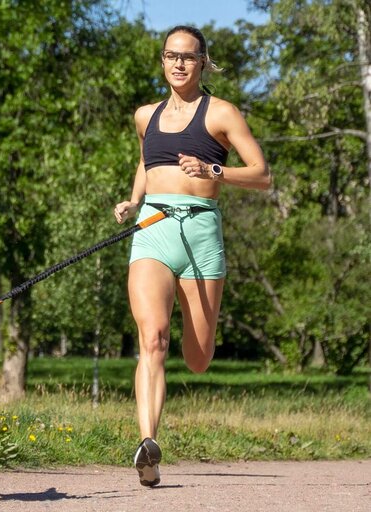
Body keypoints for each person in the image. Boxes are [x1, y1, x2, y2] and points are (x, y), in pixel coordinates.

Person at [113, 25, 271, 487]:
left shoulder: (221, 113)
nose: (179, 64)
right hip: (154, 231)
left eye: (188, 56)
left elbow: (262, 175)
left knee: (198, 357)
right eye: (170, 56)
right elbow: (146, 161)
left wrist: (213, 169)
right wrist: (133, 200)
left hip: (202, 232)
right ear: (162, 61)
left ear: (203, 62)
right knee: (153, 338)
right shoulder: (146, 115)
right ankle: (148, 444)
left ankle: (158, 423)